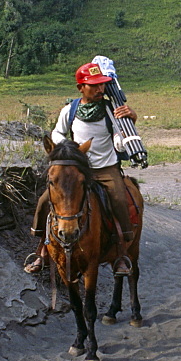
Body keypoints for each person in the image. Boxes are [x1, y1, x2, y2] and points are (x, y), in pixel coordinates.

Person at [32, 61, 138, 275]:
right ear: (81, 87)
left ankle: (121, 252)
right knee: (46, 199)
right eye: (94, 85)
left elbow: (121, 132)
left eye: (102, 85)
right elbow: (57, 133)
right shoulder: (69, 111)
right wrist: (68, 150)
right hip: (77, 170)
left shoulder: (111, 110)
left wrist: (130, 121)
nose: (100, 89)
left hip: (106, 169)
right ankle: (42, 248)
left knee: (118, 198)